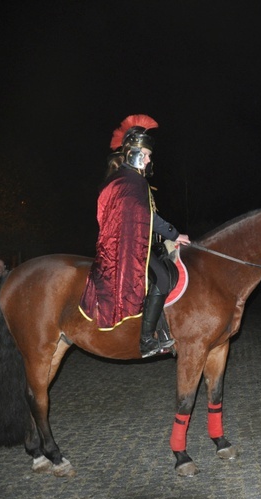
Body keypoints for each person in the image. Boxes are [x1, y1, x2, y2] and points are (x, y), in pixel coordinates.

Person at [79, 115, 191, 358]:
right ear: (135, 154)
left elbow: (143, 220)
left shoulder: (127, 180)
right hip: (126, 247)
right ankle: (146, 340)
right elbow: (144, 217)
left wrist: (166, 239)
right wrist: (174, 233)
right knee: (161, 277)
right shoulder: (130, 181)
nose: (150, 160)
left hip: (133, 241)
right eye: (147, 154)